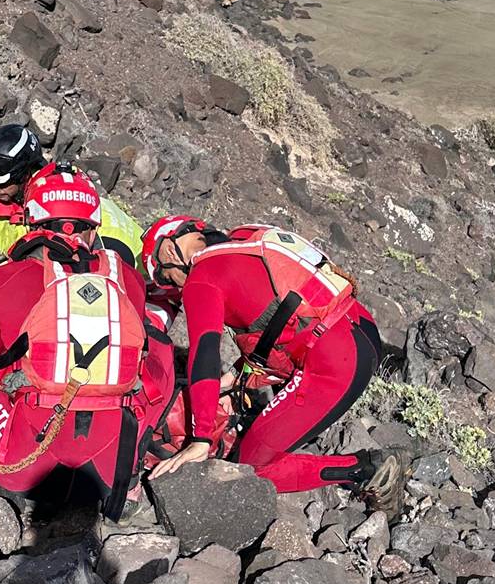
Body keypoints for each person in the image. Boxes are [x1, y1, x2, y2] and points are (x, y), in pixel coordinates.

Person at [0, 165, 175, 517]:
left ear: (33, 222)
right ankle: (130, 478)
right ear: (92, 227)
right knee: (159, 346)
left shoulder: (5, 279)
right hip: (107, 469)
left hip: (26, 465)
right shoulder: (128, 279)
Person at [141, 216, 410, 514]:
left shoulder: (201, 277)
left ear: (168, 253)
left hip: (335, 363)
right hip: (358, 328)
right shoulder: (243, 239)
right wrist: (236, 377)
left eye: (165, 279)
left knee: (250, 466)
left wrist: (200, 438)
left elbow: (204, 355)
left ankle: (366, 469)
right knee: (260, 432)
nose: (174, 288)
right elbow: (279, 319)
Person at [0, 124, 144, 298]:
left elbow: (67, 263)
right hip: (42, 271)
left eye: (2, 184)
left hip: (127, 266)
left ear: (25, 174)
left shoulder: (62, 197)